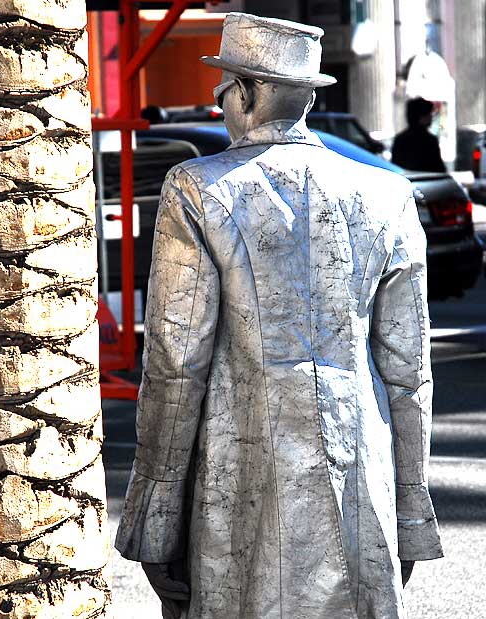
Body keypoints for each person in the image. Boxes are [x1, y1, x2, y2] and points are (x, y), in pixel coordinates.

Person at [115, 13, 443, 619]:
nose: (220, 103)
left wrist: (154, 524)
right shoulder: (388, 194)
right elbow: (408, 372)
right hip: (360, 478)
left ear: (242, 91)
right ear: (310, 97)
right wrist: (411, 517)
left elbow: (174, 366)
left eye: (222, 91)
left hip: (238, 484)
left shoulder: (199, 189)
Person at [391, 97, 446, 172]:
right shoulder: (429, 140)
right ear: (421, 117)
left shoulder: (399, 139)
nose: (431, 117)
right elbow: (439, 169)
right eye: (428, 114)